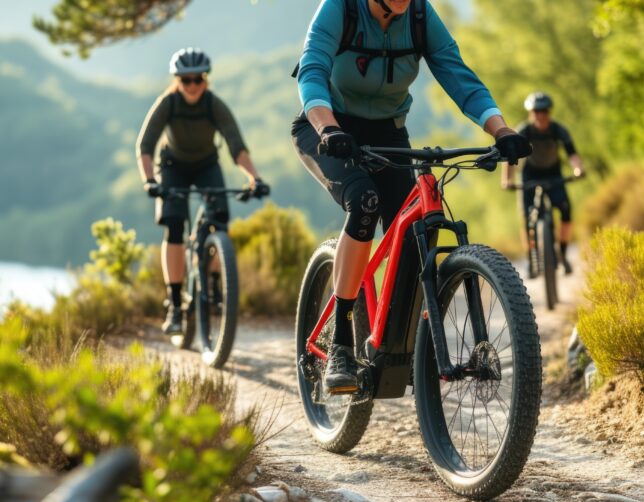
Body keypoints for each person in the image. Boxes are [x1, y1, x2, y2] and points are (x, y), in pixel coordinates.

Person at [292, 0, 532, 394]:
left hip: (387, 133)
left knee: (415, 226)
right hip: (326, 127)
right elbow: (313, 68)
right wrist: (328, 128)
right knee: (364, 202)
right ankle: (341, 341)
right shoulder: (341, 8)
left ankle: (400, 344)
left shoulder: (420, 16)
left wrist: (501, 130)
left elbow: (457, 75)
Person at [137, 48, 269, 335]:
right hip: (172, 167)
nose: (193, 85)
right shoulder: (168, 104)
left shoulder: (213, 105)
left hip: (206, 165)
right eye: (186, 80)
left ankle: (212, 284)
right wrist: (150, 180)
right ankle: (174, 304)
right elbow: (145, 147)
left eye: (198, 79)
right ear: (177, 81)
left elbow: (236, 146)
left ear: (206, 79)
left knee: (219, 220)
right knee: (174, 226)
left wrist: (254, 179)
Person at [501, 91, 584, 275]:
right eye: (536, 111)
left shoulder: (558, 129)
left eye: (544, 111)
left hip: (553, 173)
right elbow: (510, 158)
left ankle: (561, 254)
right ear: (531, 113)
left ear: (549, 112)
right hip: (529, 175)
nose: (540, 115)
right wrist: (507, 180)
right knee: (527, 218)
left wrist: (578, 169)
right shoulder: (524, 130)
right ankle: (532, 257)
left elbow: (572, 153)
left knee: (565, 210)